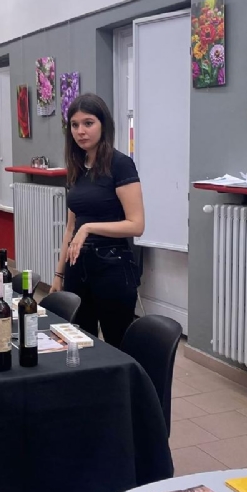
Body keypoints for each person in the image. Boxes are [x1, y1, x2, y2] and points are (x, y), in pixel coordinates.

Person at [51, 93, 144, 348]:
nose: (81, 131)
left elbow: (136, 225)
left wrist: (89, 228)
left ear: (104, 125)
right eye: (74, 125)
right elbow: (71, 227)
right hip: (77, 267)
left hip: (111, 265)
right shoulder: (77, 167)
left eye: (88, 123)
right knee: (78, 341)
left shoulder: (121, 165)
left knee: (117, 343)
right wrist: (59, 274)